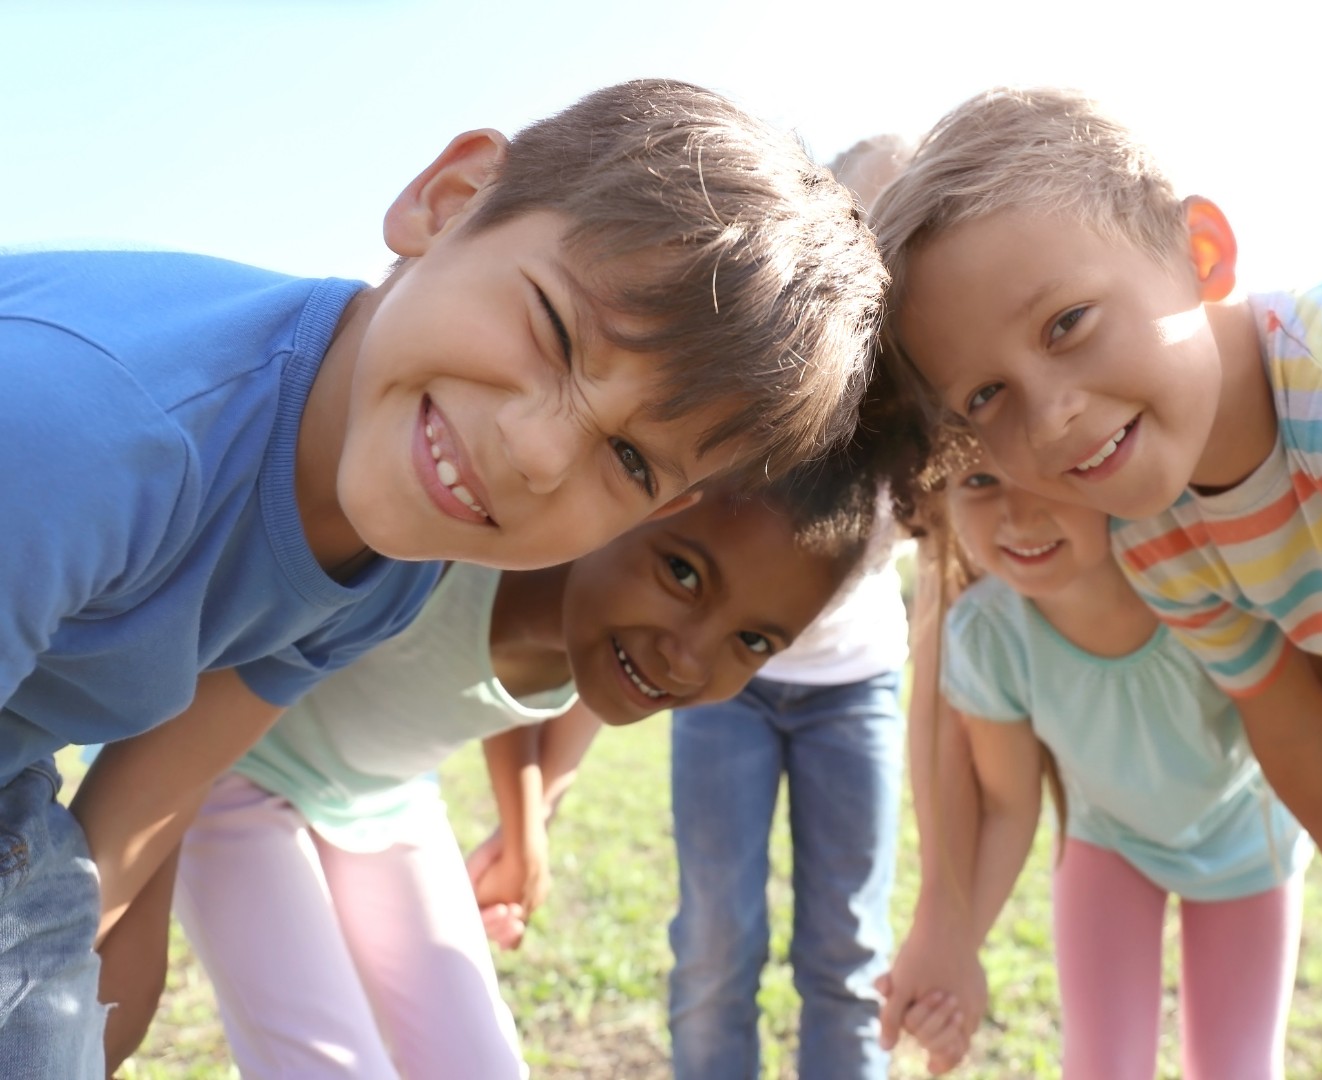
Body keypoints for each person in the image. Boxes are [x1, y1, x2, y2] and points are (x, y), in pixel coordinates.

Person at [0, 77, 886, 1076]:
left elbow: (149, 796)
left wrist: (79, 974)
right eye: (555, 330)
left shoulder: (400, 555)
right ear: (450, 200)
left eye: (632, 462)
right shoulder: (89, 437)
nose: (540, 455)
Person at [870, 85, 1322, 1080]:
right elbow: (1279, 713)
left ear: (1203, 254)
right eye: (985, 396)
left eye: (1068, 324)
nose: (1046, 420)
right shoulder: (1148, 525)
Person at [97, 438, 897, 1079]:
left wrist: (525, 831)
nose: (688, 660)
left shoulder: (607, 636)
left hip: (384, 799)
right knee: (329, 1063)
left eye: (753, 641)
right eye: (682, 572)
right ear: (633, 499)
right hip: (234, 778)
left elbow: (497, 685)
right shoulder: (458, 548)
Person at [888, 427, 1311, 1079]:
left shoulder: (1199, 584)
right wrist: (952, 957)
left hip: (1246, 845)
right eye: (979, 482)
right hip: (1108, 842)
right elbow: (1006, 804)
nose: (1020, 514)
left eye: (1048, 478)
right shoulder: (986, 634)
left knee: (1237, 1069)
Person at [664, 134, 914, 1080]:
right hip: (726, 687)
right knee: (716, 940)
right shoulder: (759, 380)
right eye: (859, 228)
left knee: (847, 950)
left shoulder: (921, 421)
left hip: (857, 689)